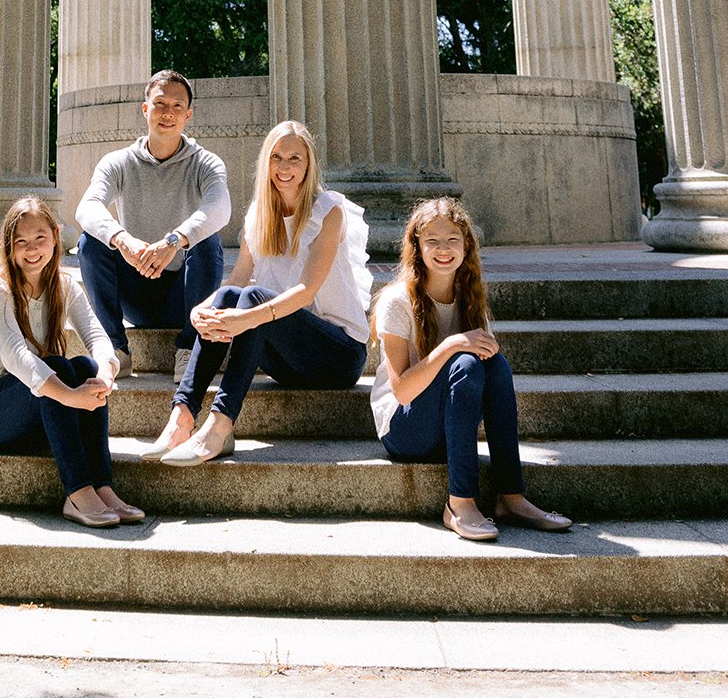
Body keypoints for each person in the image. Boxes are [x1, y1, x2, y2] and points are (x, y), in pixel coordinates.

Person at [145, 118, 371, 464]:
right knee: (225, 299)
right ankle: (182, 416)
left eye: (295, 158)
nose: (285, 167)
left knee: (253, 301)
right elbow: (236, 281)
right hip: (288, 357)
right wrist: (199, 311)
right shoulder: (259, 216)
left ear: (309, 164)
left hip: (339, 356)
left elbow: (306, 291)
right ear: (266, 162)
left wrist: (245, 320)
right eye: (277, 157)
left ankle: (219, 426)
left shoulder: (328, 212)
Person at [370, 196, 572, 541]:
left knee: (496, 366)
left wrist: (465, 348)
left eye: (452, 240)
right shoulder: (397, 301)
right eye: (431, 240)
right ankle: (459, 503)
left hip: (447, 427)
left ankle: (511, 496)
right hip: (405, 430)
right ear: (417, 247)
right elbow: (402, 391)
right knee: (463, 361)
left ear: (466, 246)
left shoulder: (470, 296)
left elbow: (485, 373)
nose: (443, 249)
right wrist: (452, 344)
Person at [0, 196, 144, 529]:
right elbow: (19, 358)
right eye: (22, 242)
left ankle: (102, 486)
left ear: (55, 236)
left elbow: (98, 337)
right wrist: (72, 397)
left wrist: (106, 373)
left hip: (34, 408)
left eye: (40, 238)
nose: (32, 249)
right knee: (57, 366)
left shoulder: (63, 285)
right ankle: (77, 493)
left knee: (86, 367)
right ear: (9, 246)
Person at [76, 68, 230, 385]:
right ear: (146, 109)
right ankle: (116, 350)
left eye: (177, 106)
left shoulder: (206, 163)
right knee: (89, 242)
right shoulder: (117, 162)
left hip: (184, 294)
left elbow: (220, 208)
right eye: (160, 104)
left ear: (188, 115)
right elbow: (87, 207)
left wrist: (174, 240)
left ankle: (189, 347)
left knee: (207, 240)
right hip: (134, 292)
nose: (167, 113)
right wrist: (123, 241)